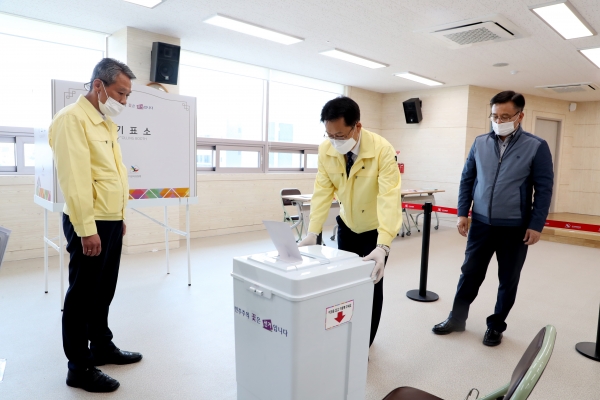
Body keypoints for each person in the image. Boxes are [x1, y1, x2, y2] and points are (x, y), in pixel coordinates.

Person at [432, 91, 554, 346]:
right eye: (495, 116)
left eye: (506, 116)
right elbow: (467, 179)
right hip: (481, 224)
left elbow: (544, 189)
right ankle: (457, 318)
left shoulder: (536, 146)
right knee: (469, 273)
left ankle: (496, 325)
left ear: (520, 116)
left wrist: (536, 224)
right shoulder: (480, 143)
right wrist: (462, 213)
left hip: (515, 227)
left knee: (508, 279)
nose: (499, 121)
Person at [49, 58, 142, 392]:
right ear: (98, 85)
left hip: (110, 219)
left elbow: (111, 175)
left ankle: (101, 346)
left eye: (128, 95)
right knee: (82, 295)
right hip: (88, 222)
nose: (124, 102)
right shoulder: (72, 120)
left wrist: (120, 216)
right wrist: (87, 228)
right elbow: (75, 180)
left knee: (103, 289)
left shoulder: (103, 123)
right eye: (121, 93)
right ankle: (79, 367)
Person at [298, 96, 402, 347]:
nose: (335, 141)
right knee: (344, 285)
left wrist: (384, 245)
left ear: (358, 126)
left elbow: (389, 197)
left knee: (371, 287)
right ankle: (344, 337)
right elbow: (323, 191)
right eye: (329, 134)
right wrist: (313, 231)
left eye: (341, 135)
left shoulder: (382, 150)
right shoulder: (326, 149)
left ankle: (364, 345)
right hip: (346, 225)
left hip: (374, 232)